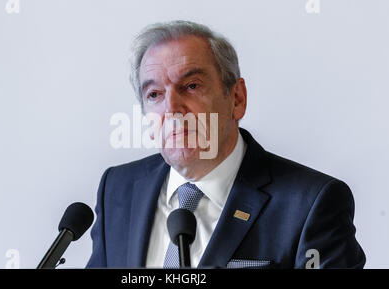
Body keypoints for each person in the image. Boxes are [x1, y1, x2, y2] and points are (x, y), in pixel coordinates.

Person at [86, 20, 365, 268]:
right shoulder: (118, 189)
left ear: (237, 99)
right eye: (155, 94)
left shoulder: (310, 204)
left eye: (192, 86)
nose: (172, 109)